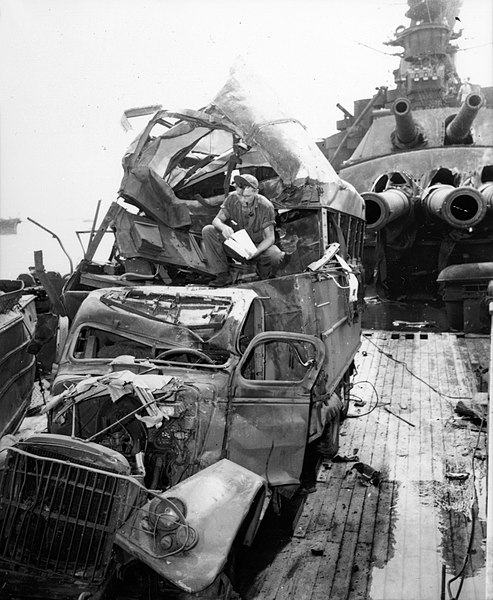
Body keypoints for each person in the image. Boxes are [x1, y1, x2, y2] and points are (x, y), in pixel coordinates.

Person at [202, 174, 290, 286]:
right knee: (208, 230)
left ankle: (263, 276)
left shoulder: (266, 206)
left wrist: (255, 252)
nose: (243, 200)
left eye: (247, 196)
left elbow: (270, 238)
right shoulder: (232, 198)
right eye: (239, 195)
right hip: (237, 246)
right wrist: (224, 227)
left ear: (256, 192)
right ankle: (223, 275)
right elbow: (216, 220)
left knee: (276, 255)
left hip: (258, 248)